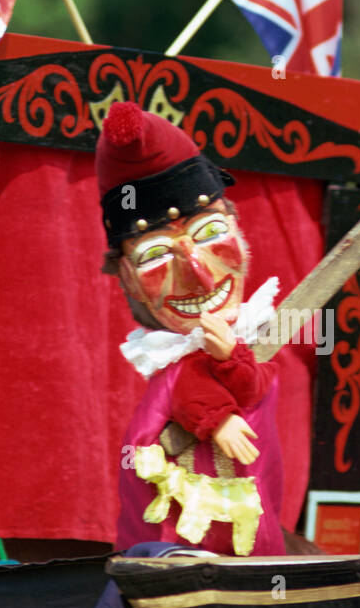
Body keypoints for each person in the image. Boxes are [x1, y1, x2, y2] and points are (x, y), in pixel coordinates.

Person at [97, 101, 286, 556]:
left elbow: (256, 384)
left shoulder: (243, 341)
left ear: (239, 230)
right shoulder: (175, 364)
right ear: (127, 280)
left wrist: (231, 358)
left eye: (209, 233)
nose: (200, 276)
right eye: (157, 256)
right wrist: (214, 417)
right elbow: (182, 388)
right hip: (175, 541)